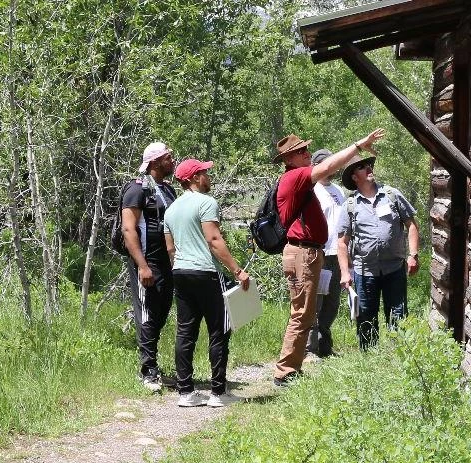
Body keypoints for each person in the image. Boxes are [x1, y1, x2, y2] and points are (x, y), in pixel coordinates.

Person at [271, 129, 385, 386]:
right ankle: (285, 371)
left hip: (308, 253)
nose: (307, 154)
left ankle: (291, 368)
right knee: (302, 313)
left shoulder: (295, 177)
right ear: (290, 159)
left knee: (305, 311)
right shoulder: (296, 177)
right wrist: (358, 145)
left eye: (306, 149)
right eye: (301, 152)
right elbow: (328, 165)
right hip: (303, 254)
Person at [163, 158, 251, 408]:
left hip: (180, 272)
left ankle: (186, 392)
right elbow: (213, 239)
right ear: (193, 178)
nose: (208, 177)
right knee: (219, 329)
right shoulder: (206, 203)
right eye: (204, 173)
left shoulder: (171, 209)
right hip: (205, 273)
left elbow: (170, 249)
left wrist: (180, 268)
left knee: (185, 331)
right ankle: (218, 392)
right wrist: (237, 270)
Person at [336, 155, 420, 350]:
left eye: (369, 165)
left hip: (394, 269)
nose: (368, 168)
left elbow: (412, 225)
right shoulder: (350, 205)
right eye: (362, 167)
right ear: (354, 177)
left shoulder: (392, 195)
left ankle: (401, 358)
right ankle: (369, 359)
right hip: (364, 272)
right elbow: (342, 243)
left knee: (398, 316)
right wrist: (345, 272)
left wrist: (413, 255)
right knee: (365, 318)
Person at [122, 142, 178, 392]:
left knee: (162, 310)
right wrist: (142, 266)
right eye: (169, 158)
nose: (172, 161)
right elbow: (128, 229)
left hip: (168, 263)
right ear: (155, 162)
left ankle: (152, 363)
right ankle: (148, 370)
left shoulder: (168, 190)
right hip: (147, 261)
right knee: (147, 313)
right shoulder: (137, 189)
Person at [307, 149, 346, 358]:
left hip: (337, 254)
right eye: (324, 164)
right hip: (319, 253)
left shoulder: (339, 191)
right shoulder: (312, 190)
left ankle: (325, 347)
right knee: (315, 302)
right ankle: (310, 350)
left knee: (332, 302)